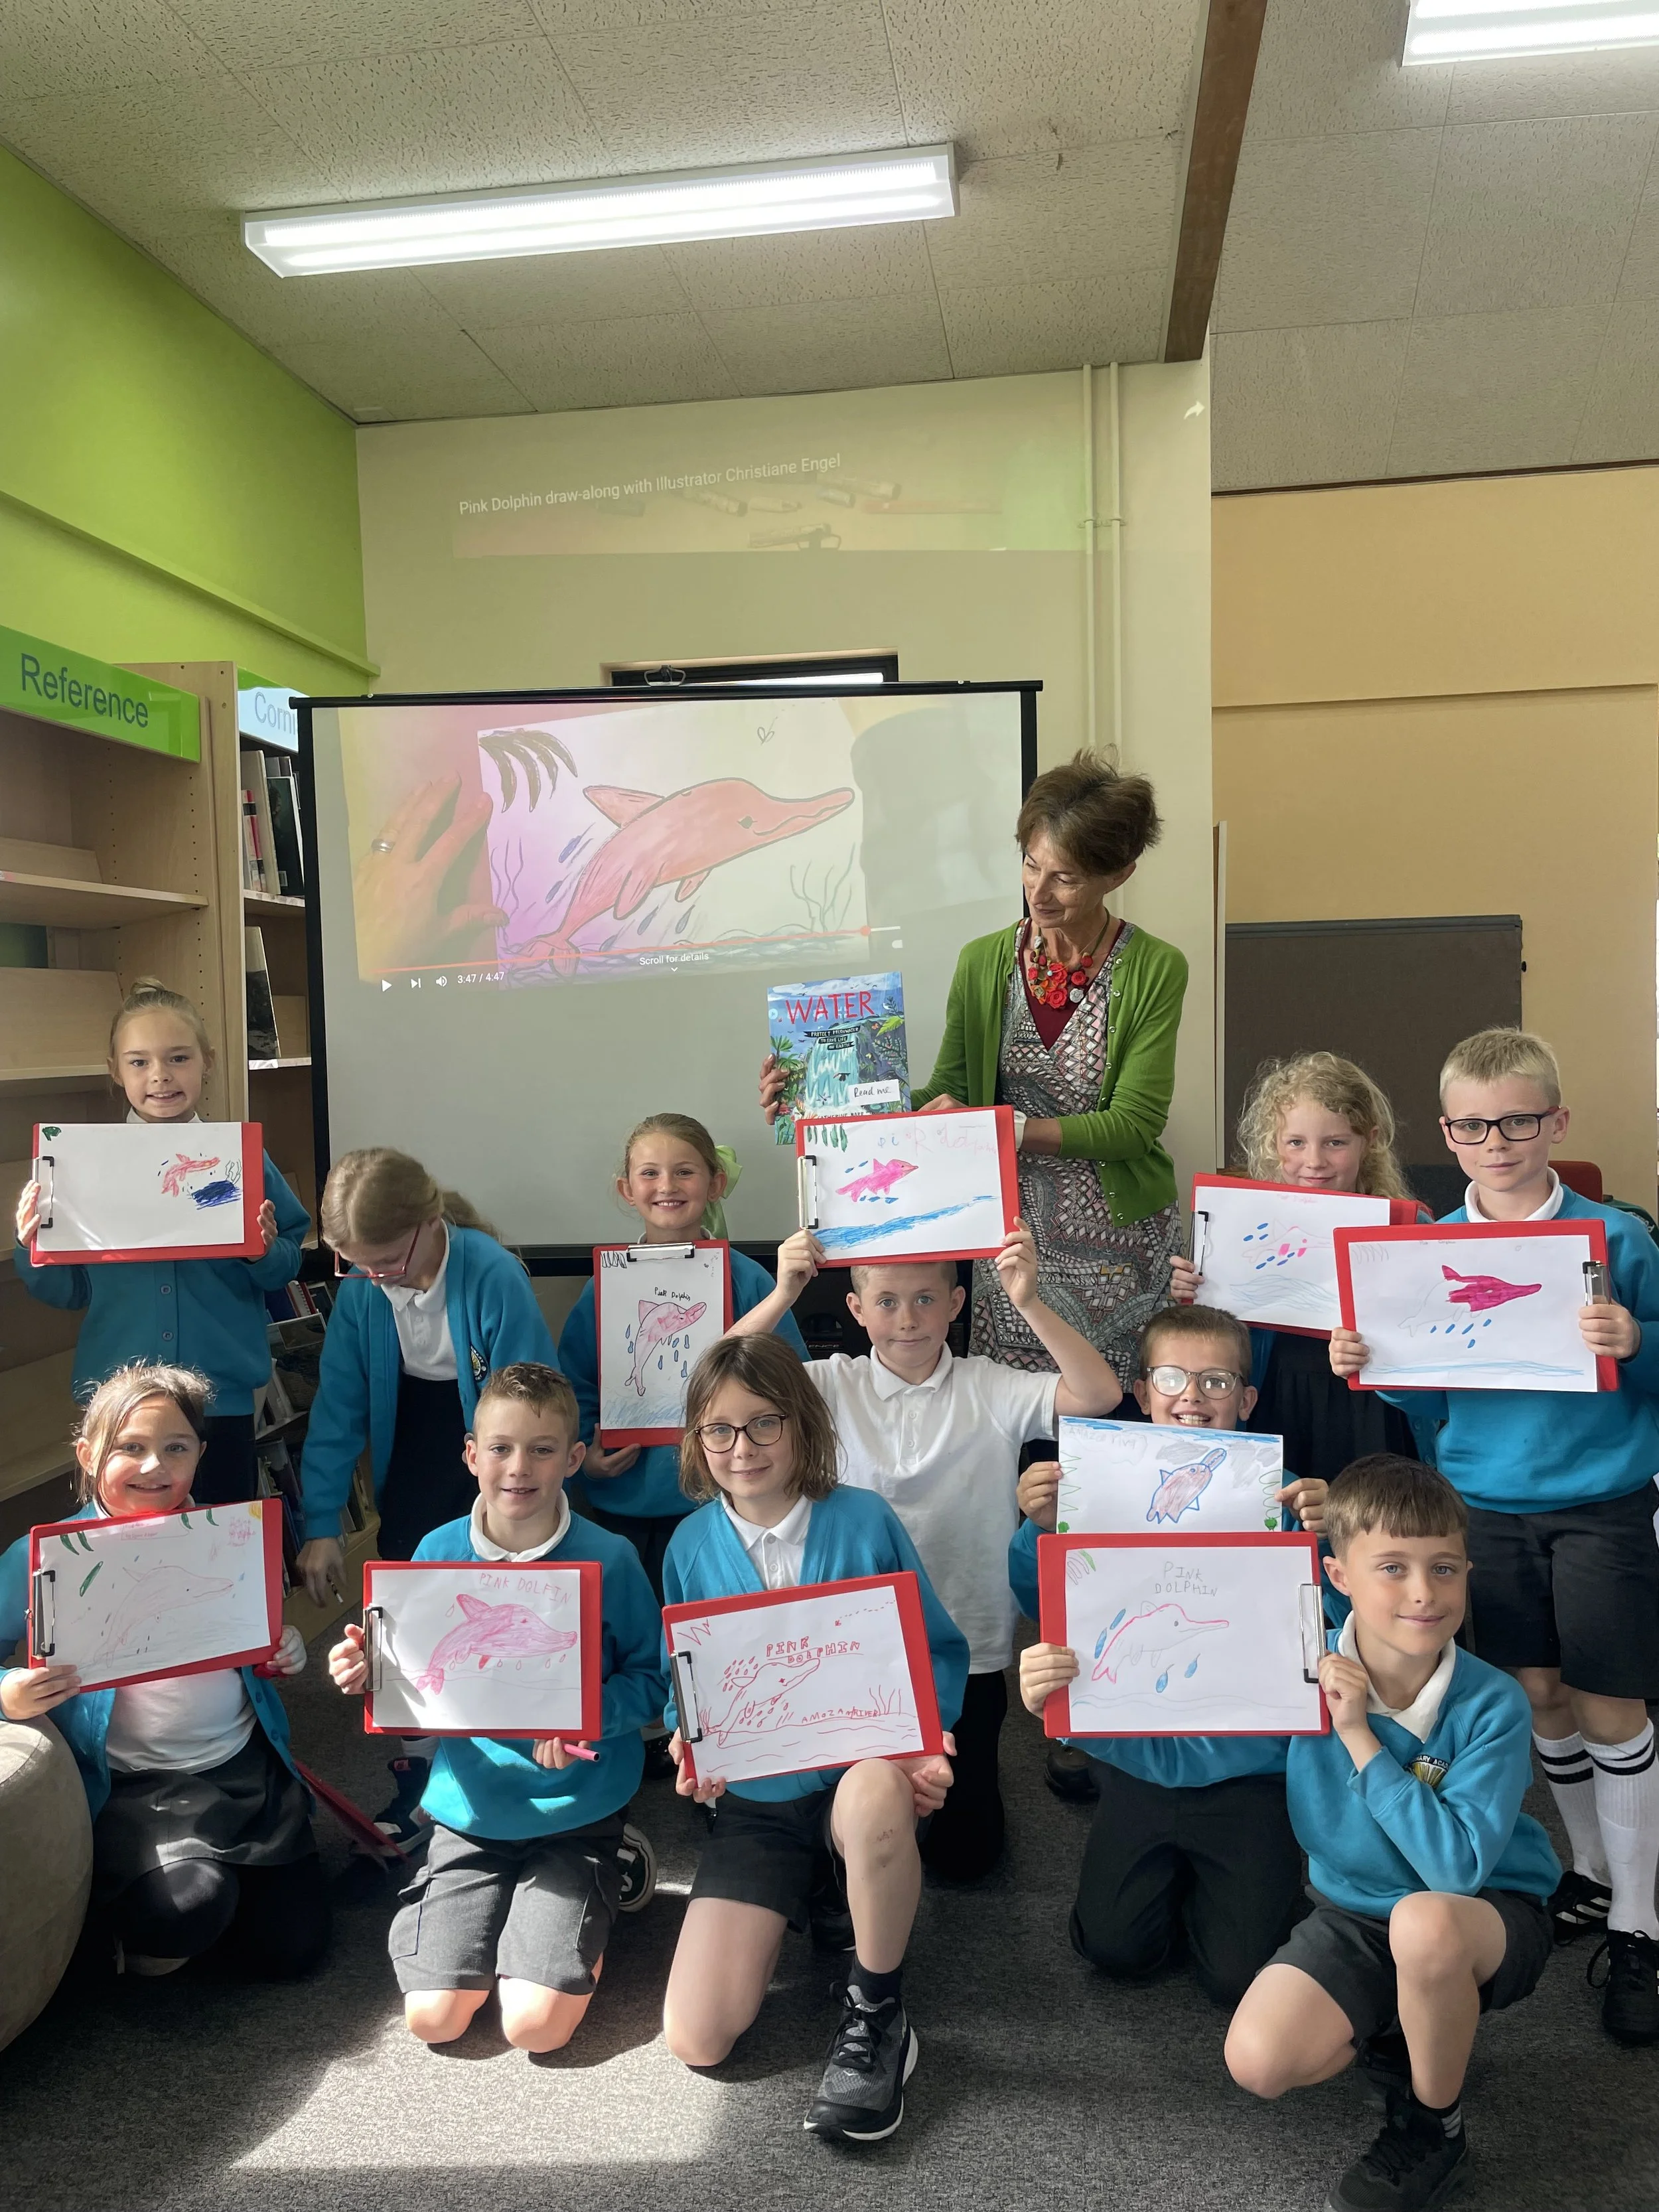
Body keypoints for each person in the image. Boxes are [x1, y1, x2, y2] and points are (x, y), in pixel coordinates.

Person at [1331, 1028, 1659, 2043]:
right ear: (1448, 1135)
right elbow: (1428, 1399)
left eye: (1519, 1121)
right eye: (1475, 1126)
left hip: (1601, 1499)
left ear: (1557, 1122)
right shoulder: (1426, 1248)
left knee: (1610, 1703)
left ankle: (1641, 1922)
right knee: (1536, 1693)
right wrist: (1375, 1367)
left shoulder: (1618, 1238)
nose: (1498, 1142)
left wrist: (1637, 1341)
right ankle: (1588, 1872)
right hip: (1483, 1502)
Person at [758, 751, 1188, 1384]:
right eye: (1031, 864)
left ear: (1119, 873)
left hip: (1119, 1249)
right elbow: (950, 1094)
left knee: (1116, 1404)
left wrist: (1010, 1130)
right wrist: (821, 1098)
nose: (1038, 892)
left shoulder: (1156, 967)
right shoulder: (984, 961)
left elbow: (1135, 1124)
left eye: (1065, 878)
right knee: (1014, 1416)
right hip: (1010, 1240)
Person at [736, 1218, 1121, 1880]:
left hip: (968, 1644)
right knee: (858, 1822)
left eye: (924, 1299)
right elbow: (720, 1380)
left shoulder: (987, 1385)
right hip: (856, 1642)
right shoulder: (829, 1385)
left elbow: (1100, 1395)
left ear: (955, 1304)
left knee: (966, 1859)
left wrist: (1029, 1300)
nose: (908, 1318)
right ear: (856, 1309)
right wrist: (783, 1293)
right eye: (886, 1302)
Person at [1224, 1455, 1559, 2212]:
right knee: (1258, 2062)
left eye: (1444, 1568)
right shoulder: (1295, 1667)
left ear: (1467, 1573)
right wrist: (1073, 1701)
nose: (1422, 1593)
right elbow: (1202, 1736)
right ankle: (1407, 2024)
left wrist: (1361, 1739)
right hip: (1355, 1909)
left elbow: (1455, 1869)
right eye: (1393, 1568)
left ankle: (1434, 2125)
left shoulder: (1493, 1702)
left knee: (1425, 1925)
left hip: (1482, 1910)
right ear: (1338, 1576)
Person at [660, 1335, 968, 2145]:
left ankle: (878, 2009)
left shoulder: (862, 1520)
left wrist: (923, 1745)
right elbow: (682, 1682)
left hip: (857, 1781)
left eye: (764, 1423)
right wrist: (687, 1741)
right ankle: (818, 1895)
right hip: (757, 1805)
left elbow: (933, 1650)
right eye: (719, 1430)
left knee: (871, 1795)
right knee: (697, 2037)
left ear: (802, 1423)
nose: (742, 1447)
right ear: (697, 1440)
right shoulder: (689, 1547)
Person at [328, 1363, 664, 2053]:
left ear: (574, 1458)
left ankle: (609, 1860)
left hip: (575, 1807)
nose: (519, 1467)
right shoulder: (436, 1551)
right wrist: (367, 1672)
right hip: (471, 1807)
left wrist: (587, 1714)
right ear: (471, 1455)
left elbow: (654, 1679)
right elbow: (410, 1677)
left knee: (533, 2027)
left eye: (542, 1449)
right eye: (502, 1448)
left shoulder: (611, 1557)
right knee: (434, 2019)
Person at [1012, 1303, 1327, 2006]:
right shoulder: (1094, 1486)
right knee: (1114, 1949)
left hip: (1251, 1769)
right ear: (1142, 1391)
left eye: (1217, 1381)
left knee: (1240, 1976)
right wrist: (1040, 1530)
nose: (1193, 1395)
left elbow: (1334, 1620)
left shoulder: (1284, 1495)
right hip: (1137, 1760)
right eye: (1172, 1378)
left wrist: (1333, 1537)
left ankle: (1242, 1882)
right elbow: (1038, 1601)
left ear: (1247, 1399)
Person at [0, 1363, 326, 1978]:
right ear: (88, 1453)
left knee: (293, 1950)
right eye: (130, 1447)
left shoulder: (230, 1537)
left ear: (200, 1453)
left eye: (176, 1448)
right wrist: (9, 1694)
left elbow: (254, 1645)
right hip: (133, 1788)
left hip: (241, 1768)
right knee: (189, 1910)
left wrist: (283, 1649)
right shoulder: (43, 1556)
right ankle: (160, 1913)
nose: (155, 1466)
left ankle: (220, 1890)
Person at [297, 1147, 559, 1846]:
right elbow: (338, 1408)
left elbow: (532, 1395)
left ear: (429, 1222)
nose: (375, 1276)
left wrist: (518, 1482)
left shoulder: (492, 1274)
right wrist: (321, 1524)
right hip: (412, 1441)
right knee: (408, 1609)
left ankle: (503, 1761)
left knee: (498, 1596)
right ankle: (418, 1771)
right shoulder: (362, 1291)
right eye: (358, 1264)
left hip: (495, 1441)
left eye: (386, 1260)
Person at [13, 977, 310, 1505]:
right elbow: (68, 1291)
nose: (160, 1075)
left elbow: (287, 1257)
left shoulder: (238, 1157)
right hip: (118, 1404)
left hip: (220, 1399)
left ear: (207, 1061)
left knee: (221, 1533)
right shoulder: (84, 1166)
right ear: (115, 1070)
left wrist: (261, 1252)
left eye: (178, 1057)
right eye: (139, 1061)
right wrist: (32, 1244)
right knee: (128, 1541)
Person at [559, 1111, 808, 1600]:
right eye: (649, 1173)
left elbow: (794, 1379)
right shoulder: (604, 1289)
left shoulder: (750, 1281)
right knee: (634, 1628)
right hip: (626, 1504)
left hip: (727, 1502)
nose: (667, 1186)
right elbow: (575, 1383)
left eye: (685, 1171)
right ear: (627, 1189)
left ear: (715, 1184)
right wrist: (586, 1454)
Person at [1174, 1052, 1433, 1480]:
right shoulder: (1240, 1224)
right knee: (1286, 1507)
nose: (1314, 1161)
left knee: (1373, 1511)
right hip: (1278, 1391)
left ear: (1369, 1141)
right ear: (1273, 1144)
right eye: (1296, 1142)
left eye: (1336, 1143)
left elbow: (1430, 1330)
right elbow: (1217, 1335)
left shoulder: (1407, 1225)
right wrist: (1194, 1291)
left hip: (1373, 1405)